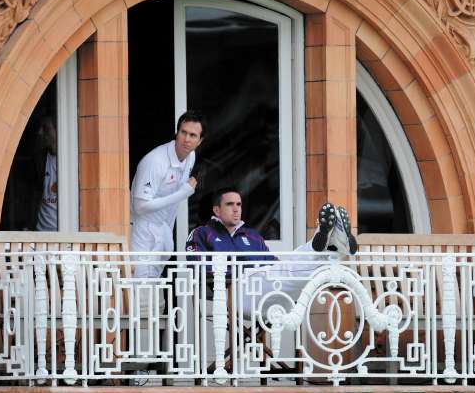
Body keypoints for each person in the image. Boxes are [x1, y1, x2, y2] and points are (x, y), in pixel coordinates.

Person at [186, 187, 357, 315]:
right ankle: (328, 245)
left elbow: (274, 265)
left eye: (239, 204)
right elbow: (197, 268)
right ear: (217, 210)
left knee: (288, 266)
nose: (236, 208)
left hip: (269, 291)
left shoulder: (252, 236)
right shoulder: (203, 233)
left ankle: (326, 244)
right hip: (234, 293)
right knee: (291, 270)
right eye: (230, 204)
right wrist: (231, 275)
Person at [130, 110, 206, 278]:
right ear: (176, 133)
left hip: (163, 234)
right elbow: (140, 206)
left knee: (156, 296)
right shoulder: (155, 161)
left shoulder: (190, 157)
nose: (186, 139)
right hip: (141, 236)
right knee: (140, 295)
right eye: (183, 132)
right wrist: (183, 193)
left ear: (199, 141)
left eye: (193, 135)